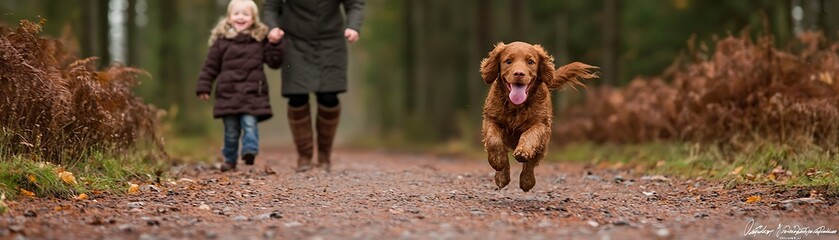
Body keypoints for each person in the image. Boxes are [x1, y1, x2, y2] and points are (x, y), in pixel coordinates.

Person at [263, 0, 364, 172]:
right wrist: (272, 27)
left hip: (331, 42)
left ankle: (324, 155)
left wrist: (353, 26)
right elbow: (271, 6)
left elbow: (355, 3)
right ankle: (304, 156)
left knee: (328, 97)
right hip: (295, 42)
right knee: (296, 96)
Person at [196, 0, 283, 172]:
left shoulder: (259, 39)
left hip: (252, 93)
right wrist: (204, 86)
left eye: (245, 14)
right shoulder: (221, 42)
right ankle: (229, 160)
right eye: (236, 13)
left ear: (253, 18)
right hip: (228, 93)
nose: (240, 17)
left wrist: (275, 44)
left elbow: (274, 62)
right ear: (229, 17)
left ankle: (249, 151)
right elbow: (210, 66)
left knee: (249, 124)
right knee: (231, 131)